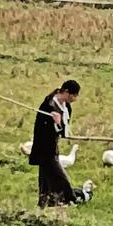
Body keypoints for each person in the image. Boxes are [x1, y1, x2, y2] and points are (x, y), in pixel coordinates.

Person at [28, 78, 91, 208]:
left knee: (45, 177)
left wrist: (63, 129)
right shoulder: (48, 106)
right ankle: (71, 198)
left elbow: (63, 130)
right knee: (59, 176)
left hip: (53, 147)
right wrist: (56, 123)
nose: (75, 99)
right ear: (66, 92)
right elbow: (42, 131)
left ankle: (46, 202)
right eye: (74, 95)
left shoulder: (66, 107)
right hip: (44, 148)